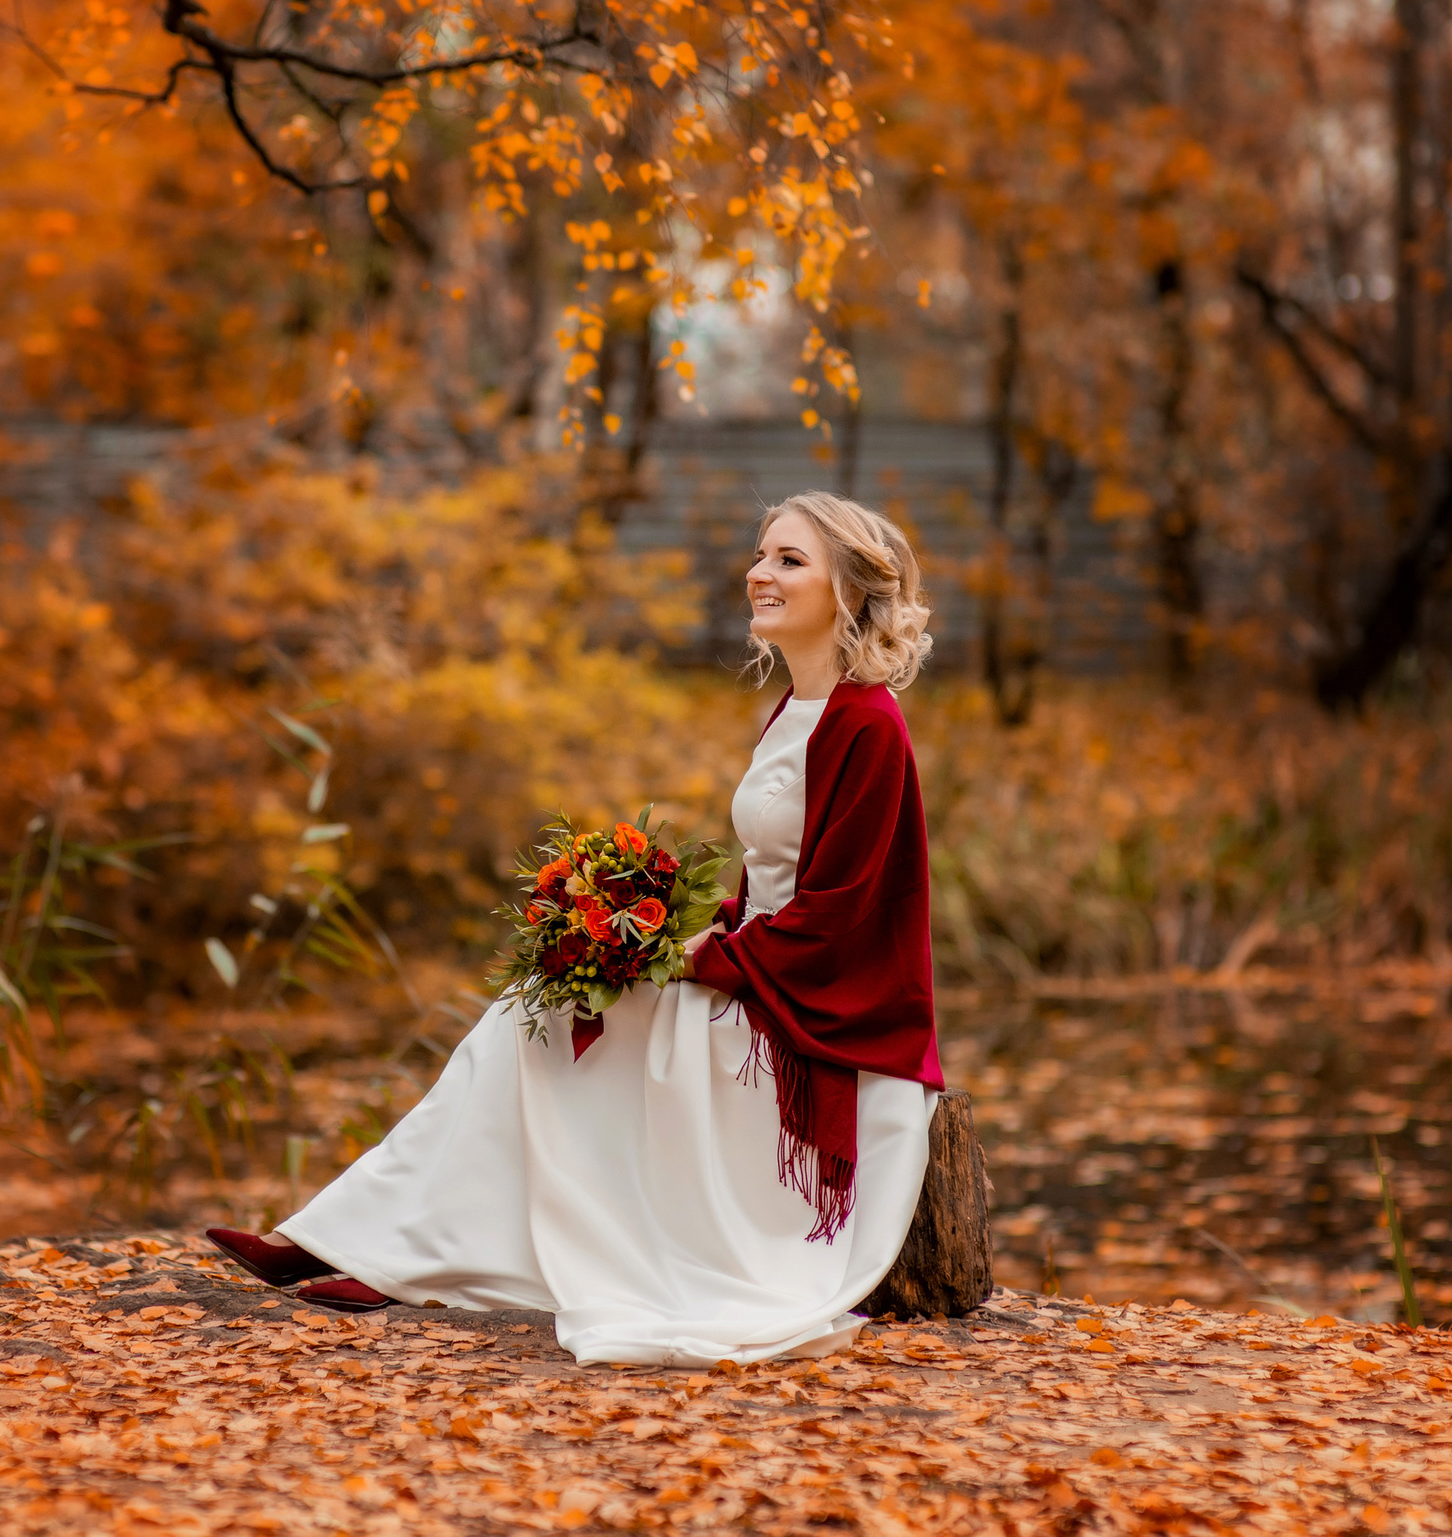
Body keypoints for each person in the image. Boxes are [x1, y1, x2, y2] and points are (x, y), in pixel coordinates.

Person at [204, 491, 947, 1366]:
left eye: (789, 560)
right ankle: (372, 1248)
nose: (759, 574)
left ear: (849, 589)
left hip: (808, 1017)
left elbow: (843, 912)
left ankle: (382, 1254)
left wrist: (697, 959)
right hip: (756, 973)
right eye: (760, 554)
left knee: (547, 1024)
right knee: (537, 1011)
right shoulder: (795, 711)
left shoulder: (869, 726)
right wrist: (653, 936)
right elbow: (765, 885)